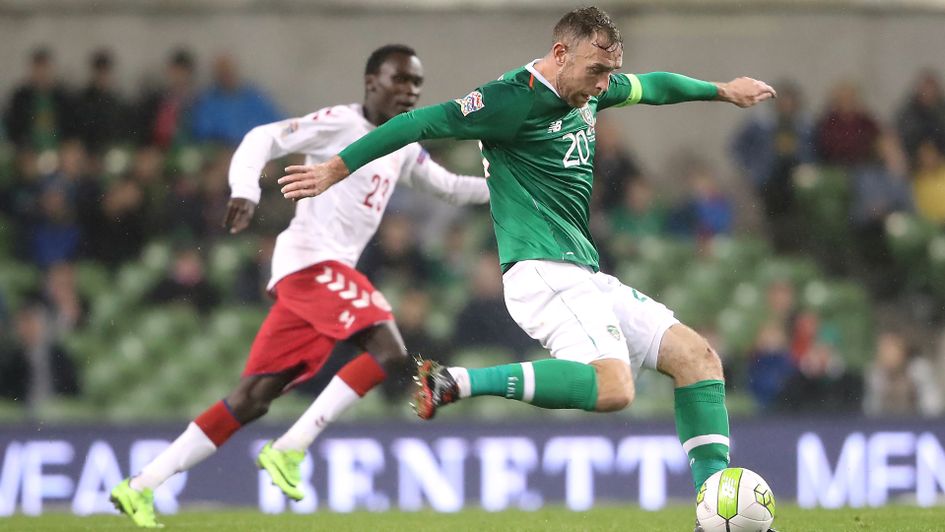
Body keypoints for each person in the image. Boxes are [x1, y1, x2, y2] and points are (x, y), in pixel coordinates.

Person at [277, 8, 774, 531]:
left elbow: (652, 86)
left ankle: (710, 515)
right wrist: (336, 168)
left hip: (582, 272)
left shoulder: (592, 84)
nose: (604, 85)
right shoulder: (509, 100)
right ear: (561, 54)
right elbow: (417, 122)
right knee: (615, 388)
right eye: (595, 73)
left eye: (610, 73)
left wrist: (721, 90)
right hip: (540, 272)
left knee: (698, 359)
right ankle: (458, 382)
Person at [109, 44, 487, 528]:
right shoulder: (340, 123)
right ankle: (290, 449)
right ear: (371, 81)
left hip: (323, 278)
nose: (410, 91)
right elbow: (262, 137)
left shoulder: (404, 144)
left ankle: (140, 485)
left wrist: (513, 190)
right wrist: (245, 188)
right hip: (311, 262)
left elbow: (450, 187)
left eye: (416, 83)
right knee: (390, 349)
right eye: (400, 80)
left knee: (254, 397)